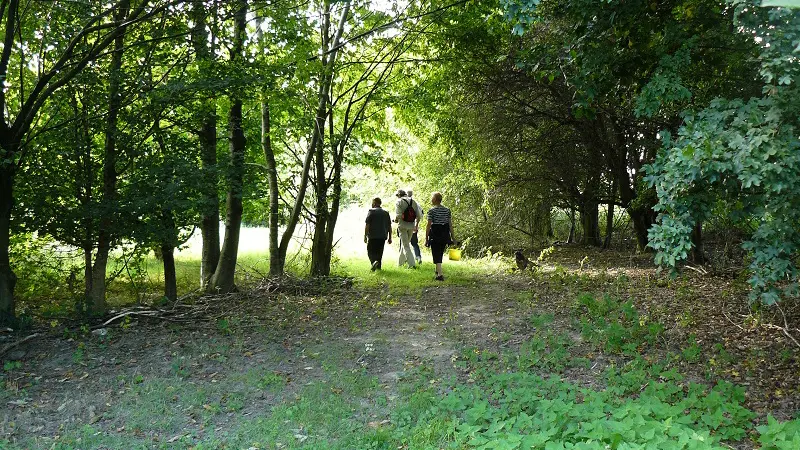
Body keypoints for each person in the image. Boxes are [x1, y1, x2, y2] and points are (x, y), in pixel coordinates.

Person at [425, 191, 454, 281]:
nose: (431, 199)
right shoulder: (447, 210)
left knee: (436, 252)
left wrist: (426, 238)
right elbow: (450, 224)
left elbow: (429, 225)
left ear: (435, 199)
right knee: (440, 251)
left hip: (435, 233)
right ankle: (437, 270)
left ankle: (440, 274)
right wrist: (453, 237)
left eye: (432, 198)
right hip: (445, 233)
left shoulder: (431, 211)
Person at [394, 189, 422, 268]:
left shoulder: (399, 202)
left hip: (402, 226)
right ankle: (400, 263)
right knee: (405, 244)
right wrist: (416, 226)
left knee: (406, 245)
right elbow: (419, 215)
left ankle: (412, 264)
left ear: (399, 195)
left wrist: (395, 220)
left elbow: (398, 215)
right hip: (411, 226)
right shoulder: (413, 201)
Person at [364, 197, 392, 271]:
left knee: (370, 251)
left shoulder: (371, 211)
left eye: (372, 202)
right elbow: (389, 226)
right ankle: (378, 267)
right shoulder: (386, 213)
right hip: (382, 236)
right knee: (379, 252)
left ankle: (373, 262)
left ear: (375, 203)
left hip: (373, 236)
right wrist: (390, 237)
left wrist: (365, 235)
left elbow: (367, 225)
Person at [406, 190, 423, 265]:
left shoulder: (403, 203)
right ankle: (418, 257)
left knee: (405, 243)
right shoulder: (416, 203)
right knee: (414, 243)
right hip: (413, 226)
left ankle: (406, 259)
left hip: (405, 226)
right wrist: (416, 226)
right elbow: (419, 216)